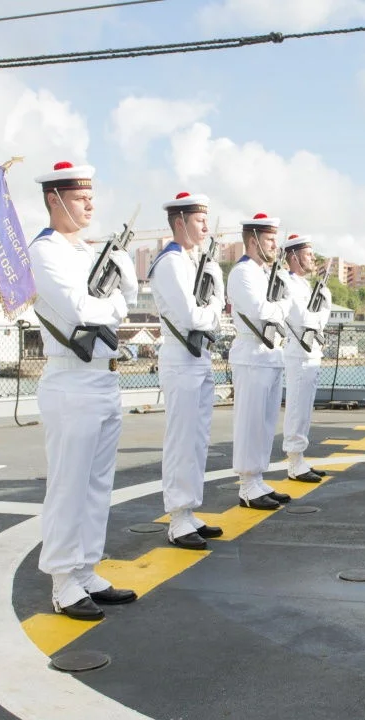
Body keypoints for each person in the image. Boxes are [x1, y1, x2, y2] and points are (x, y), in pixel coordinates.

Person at [28, 161, 139, 619]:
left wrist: (114, 289)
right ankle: (61, 579)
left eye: (91, 195)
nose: (89, 203)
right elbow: (81, 310)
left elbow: (121, 304)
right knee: (69, 485)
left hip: (103, 377)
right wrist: (108, 302)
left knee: (97, 484)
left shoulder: (88, 252)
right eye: (79, 197)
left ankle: (87, 568)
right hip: (71, 379)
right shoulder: (45, 251)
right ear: (54, 200)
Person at [149, 192, 227, 549]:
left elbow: (210, 310)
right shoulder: (170, 264)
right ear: (179, 222)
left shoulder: (194, 262)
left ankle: (190, 509)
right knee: (181, 439)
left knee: (197, 439)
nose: (206, 227)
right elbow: (192, 316)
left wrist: (214, 291)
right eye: (199, 220)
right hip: (180, 358)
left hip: (199, 357)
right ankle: (177, 518)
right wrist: (212, 310)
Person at [227, 213, 293, 510]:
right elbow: (262, 310)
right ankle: (246, 485)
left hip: (269, 354)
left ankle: (257, 478)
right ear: (253, 240)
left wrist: (278, 306)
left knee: (265, 423)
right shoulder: (242, 273)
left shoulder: (264, 273)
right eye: (269, 239)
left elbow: (282, 306)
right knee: (250, 422)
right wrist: (278, 306)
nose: (274, 245)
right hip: (252, 355)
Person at [279, 233, 332, 481]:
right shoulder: (288, 283)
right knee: (297, 408)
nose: (312, 258)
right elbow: (304, 320)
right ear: (294, 256)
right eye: (308, 254)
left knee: (305, 408)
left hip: (310, 352)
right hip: (298, 353)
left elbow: (318, 321)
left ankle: (299, 458)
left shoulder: (305, 285)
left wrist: (324, 300)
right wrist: (322, 309)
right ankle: (294, 461)